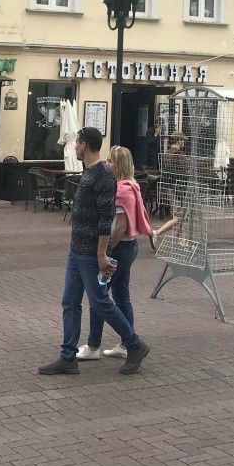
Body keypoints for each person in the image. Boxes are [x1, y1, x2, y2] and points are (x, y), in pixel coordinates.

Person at [39, 127, 151, 376]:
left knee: (100, 301)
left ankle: (135, 344)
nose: (74, 146)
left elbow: (105, 218)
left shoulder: (103, 175)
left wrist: (101, 254)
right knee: (70, 302)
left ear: (85, 145)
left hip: (90, 253)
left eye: (77, 143)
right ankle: (68, 356)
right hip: (76, 250)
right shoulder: (88, 172)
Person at [77, 145, 152, 361]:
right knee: (121, 295)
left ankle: (94, 345)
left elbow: (119, 225)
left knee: (98, 296)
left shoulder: (122, 190)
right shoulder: (133, 186)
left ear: (118, 165)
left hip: (119, 248)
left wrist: (105, 251)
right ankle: (125, 345)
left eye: (110, 161)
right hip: (129, 247)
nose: (106, 164)